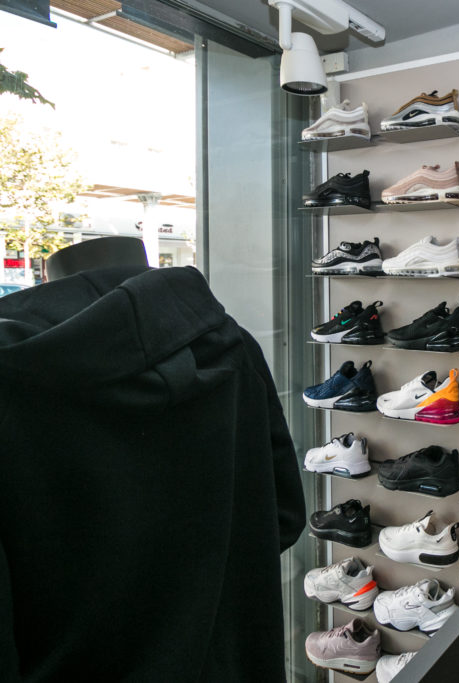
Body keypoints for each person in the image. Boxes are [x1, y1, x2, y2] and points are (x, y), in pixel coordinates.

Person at [0, 237, 306, 681]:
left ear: (49, 277)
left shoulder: (15, 375)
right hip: (225, 659)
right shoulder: (231, 344)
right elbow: (284, 515)